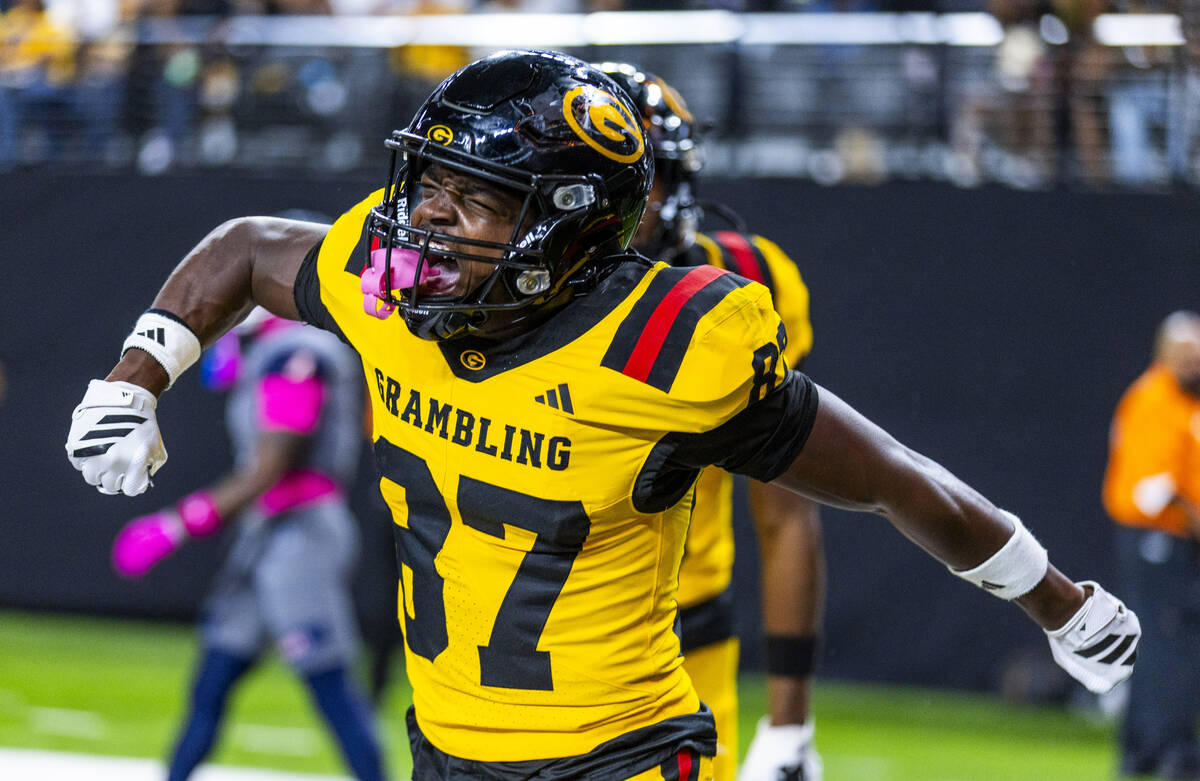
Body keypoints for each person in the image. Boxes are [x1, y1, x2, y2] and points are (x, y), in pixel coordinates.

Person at [66, 49, 1139, 781]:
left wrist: (1058, 601)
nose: (424, 224)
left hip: (614, 753)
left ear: (567, 230)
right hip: (445, 745)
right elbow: (248, 246)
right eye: (425, 184)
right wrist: (134, 374)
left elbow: (898, 478)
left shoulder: (666, 351)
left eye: (473, 199)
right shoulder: (388, 290)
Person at [599, 61, 823, 781]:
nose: (619, 202)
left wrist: (790, 721)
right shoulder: (498, 291)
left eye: (640, 176)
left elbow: (785, 512)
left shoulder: (740, 287)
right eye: (595, 175)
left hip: (677, 650)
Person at [106, 307, 388, 781]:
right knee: (211, 683)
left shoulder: (298, 353)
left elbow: (270, 468)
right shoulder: (276, 350)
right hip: (264, 537)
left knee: (332, 688)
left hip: (302, 541)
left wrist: (179, 524)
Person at [1103, 310, 1200, 780]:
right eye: (1185, 353)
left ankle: (1144, 749)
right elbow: (1152, 487)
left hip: (1170, 539)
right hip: (1158, 538)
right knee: (1166, 642)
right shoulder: (1154, 399)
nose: (1193, 363)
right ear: (1163, 353)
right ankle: (1166, 750)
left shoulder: (1183, 403)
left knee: (1161, 643)